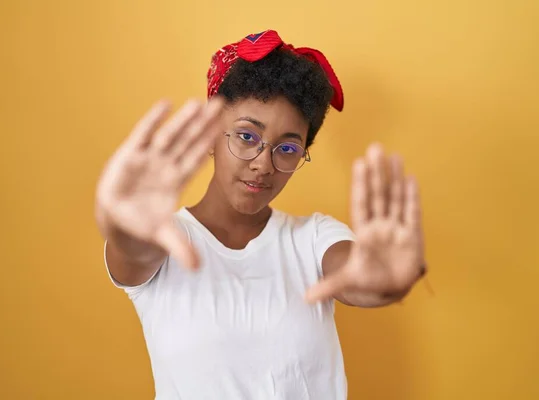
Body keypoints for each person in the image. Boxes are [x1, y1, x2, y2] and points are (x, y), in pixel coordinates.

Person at [95, 29, 426, 400]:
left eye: (287, 148)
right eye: (247, 137)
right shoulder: (162, 238)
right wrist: (122, 224)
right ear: (211, 133)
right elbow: (133, 249)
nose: (263, 164)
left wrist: (384, 280)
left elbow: (356, 275)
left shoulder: (313, 238)